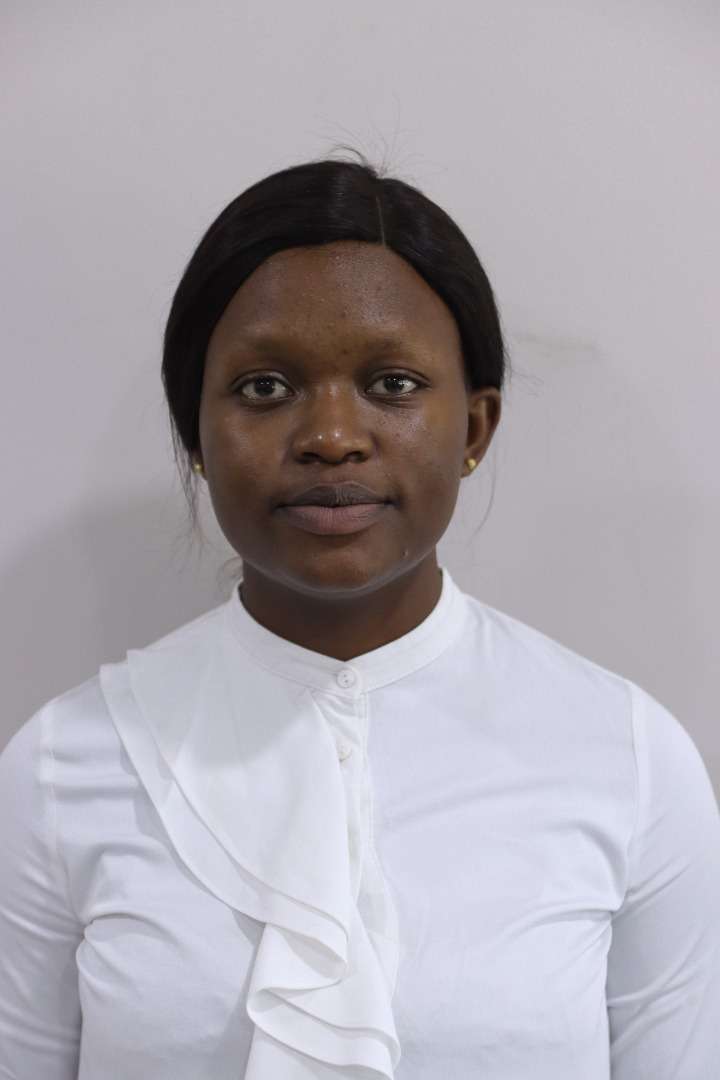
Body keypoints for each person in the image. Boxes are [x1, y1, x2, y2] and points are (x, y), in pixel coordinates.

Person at [1, 152, 719, 1080]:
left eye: (394, 384)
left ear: (474, 428)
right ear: (195, 437)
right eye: (265, 388)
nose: (332, 437)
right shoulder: (61, 768)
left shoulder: (626, 757)